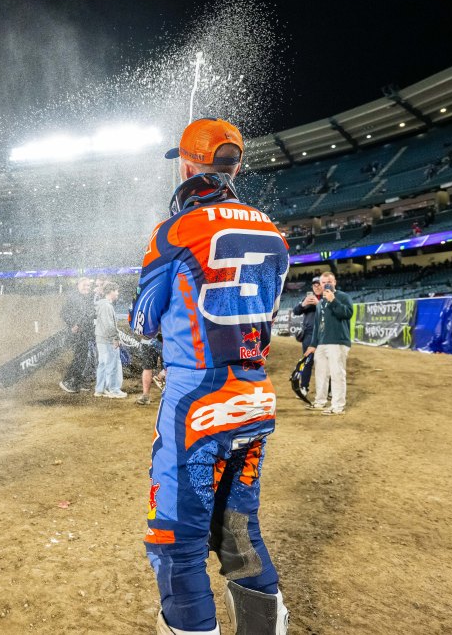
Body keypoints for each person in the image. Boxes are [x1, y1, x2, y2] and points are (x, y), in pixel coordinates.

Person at [130, 118, 290, 635]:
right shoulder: (272, 231)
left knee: (177, 545)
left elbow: (142, 323)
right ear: (236, 164)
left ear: (186, 163)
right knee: (240, 534)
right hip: (256, 394)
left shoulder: (173, 231)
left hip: (197, 400)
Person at [307, 271, 354, 416]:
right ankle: (320, 402)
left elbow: (347, 313)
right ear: (320, 284)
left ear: (335, 282)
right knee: (321, 374)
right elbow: (317, 325)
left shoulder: (343, 297)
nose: (326, 284)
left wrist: (333, 300)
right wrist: (313, 344)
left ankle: (338, 406)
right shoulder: (320, 302)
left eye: (329, 281)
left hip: (337, 341)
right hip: (322, 343)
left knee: (337, 374)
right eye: (323, 282)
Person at [59, 277, 97, 394]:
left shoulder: (87, 298)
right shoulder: (73, 297)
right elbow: (64, 313)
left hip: (86, 333)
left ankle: (76, 382)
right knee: (79, 358)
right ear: (78, 285)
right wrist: (72, 324)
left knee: (83, 359)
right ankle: (66, 381)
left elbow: (89, 314)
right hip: (77, 334)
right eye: (84, 285)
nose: (87, 288)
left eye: (88, 286)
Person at [291, 276, 323, 401]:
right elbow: (296, 311)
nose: (316, 286)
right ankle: (304, 387)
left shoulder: (327, 298)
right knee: (307, 362)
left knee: (324, 364)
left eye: (319, 284)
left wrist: (319, 304)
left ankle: (328, 389)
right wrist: (302, 304)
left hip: (324, 335)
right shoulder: (307, 299)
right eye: (314, 285)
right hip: (309, 335)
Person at [94, 282, 126, 398]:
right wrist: (115, 338)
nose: (117, 293)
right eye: (116, 291)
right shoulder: (107, 306)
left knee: (102, 364)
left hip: (101, 339)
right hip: (107, 340)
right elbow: (108, 325)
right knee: (112, 364)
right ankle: (113, 389)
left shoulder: (102, 305)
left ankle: (100, 389)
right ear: (111, 291)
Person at [135, 337, 165, 405]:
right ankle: (145, 396)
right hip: (160, 340)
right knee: (147, 367)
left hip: (149, 339)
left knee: (147, 368)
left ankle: (145, 397)